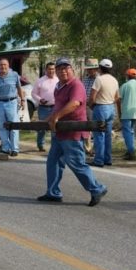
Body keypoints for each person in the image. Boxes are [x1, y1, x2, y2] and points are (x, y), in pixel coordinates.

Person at [38, 57, 108, 207]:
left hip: (72, 131)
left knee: (76, 163)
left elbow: (74, 104)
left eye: (66, 68)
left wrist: (55, 117)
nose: (63, 71)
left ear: (72, 70)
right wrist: (48, 120)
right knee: (53, 162)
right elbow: (58, 107)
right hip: (59, 131)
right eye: (60, 68)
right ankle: (53, 193)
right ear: (56, 71)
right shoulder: (58, 86)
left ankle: (97, 189)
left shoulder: (76, 85)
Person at [0, 58, 25, 156]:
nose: (3, 66)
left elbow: (19, 87)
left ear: (8, 65)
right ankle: (5, 148)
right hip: (0, 103)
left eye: (4, 64)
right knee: (2, 126)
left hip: (12, 102)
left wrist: (22, 100)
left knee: (13, 126)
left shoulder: (14, 75)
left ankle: (15, 149)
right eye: (1, 65)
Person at [89, 58, 119, 167]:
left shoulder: (99, 79)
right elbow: (117, 97)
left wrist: (92, 106)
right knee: (107, 135)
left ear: (100, 68)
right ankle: (108, 159)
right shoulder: (114, 80)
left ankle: (98, 160)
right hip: (111, 108)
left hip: (100, 107)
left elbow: (92, 97)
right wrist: (109, 102)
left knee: (99, 135)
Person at [116, 68, 136, 160]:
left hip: (126, 113)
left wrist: (119, 113)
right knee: (132, 133)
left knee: (127, 133)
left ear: (127, 76)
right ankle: (129, 151)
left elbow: (118, 100)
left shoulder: (124, 86)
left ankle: (131, 152)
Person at [31, 62, 58, 152]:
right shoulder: (40, 80)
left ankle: (54, 146)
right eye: (49, 69)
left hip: (55, 107)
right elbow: (33, 93)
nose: (51, 71)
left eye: (53, 69)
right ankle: (40, 145)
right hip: (43, 108)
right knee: (42, 127)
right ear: (46, 70)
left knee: (54, 126)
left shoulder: (58, 80)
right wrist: (40, 99)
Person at [81, 58, 99, 156]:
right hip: (85, 106)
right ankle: (88, 148)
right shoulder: (86, 79)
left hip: (95, 106)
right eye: (88, 69)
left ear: (96, 69)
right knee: (86, 127)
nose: (90, 71)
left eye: (92, 69)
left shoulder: (99, 79)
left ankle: (95, 148)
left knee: (95, 128)